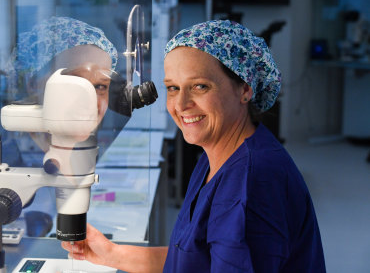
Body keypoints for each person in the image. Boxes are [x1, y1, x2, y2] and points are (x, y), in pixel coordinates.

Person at [61, 20, 326, 272]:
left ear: (245, 89)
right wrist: (110, 253)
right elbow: (197, 259)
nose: (181, 104)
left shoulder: (253, 183)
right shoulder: (216, 156)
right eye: (173, 88)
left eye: (200, 86)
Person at [6, 16, 118, 152]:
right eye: (77, 83)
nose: (91, 101)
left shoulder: (86, 153)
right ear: (33, 85)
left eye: (101, 86)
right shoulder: (14, 159)